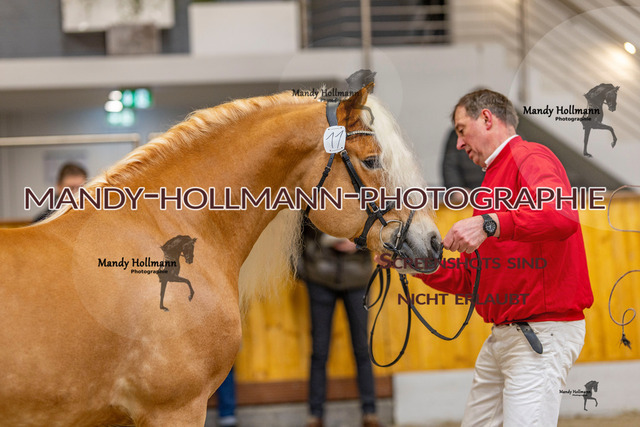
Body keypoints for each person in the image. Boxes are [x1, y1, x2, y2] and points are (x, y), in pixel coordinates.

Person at [414, 89, 593, 426]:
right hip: (508, 336)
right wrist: (416, 264)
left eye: (461, 130)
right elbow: (472, 279)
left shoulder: (530, 157)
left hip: (540, 332)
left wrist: (489, 222)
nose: (458, 144)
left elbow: (561, 216)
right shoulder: (490, 184)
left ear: (486, 118)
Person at [299, 219, 382, 427]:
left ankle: (370, 413)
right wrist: (303, 270)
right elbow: (298, 233)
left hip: (357, 278)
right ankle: (315, 416)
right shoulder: (313, 198)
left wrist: (360, 244)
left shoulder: (367, 198)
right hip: (319, 276)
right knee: (319, 351)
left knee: (362, 349)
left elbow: (380, 230)